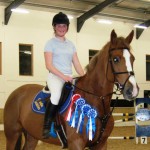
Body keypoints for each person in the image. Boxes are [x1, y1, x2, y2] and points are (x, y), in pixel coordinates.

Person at [43, 12, 84, 139]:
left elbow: (76, 63)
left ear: (67, 27)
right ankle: (47, 126)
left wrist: (84, 76)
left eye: (64, 26)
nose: (62, 28)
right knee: (56, 96)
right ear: (54, 27)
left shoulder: (71, 44)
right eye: (59, 26)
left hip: (69, 77)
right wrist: (63, 76)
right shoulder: (50, 43)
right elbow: (49, 65)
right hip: (55, 76)